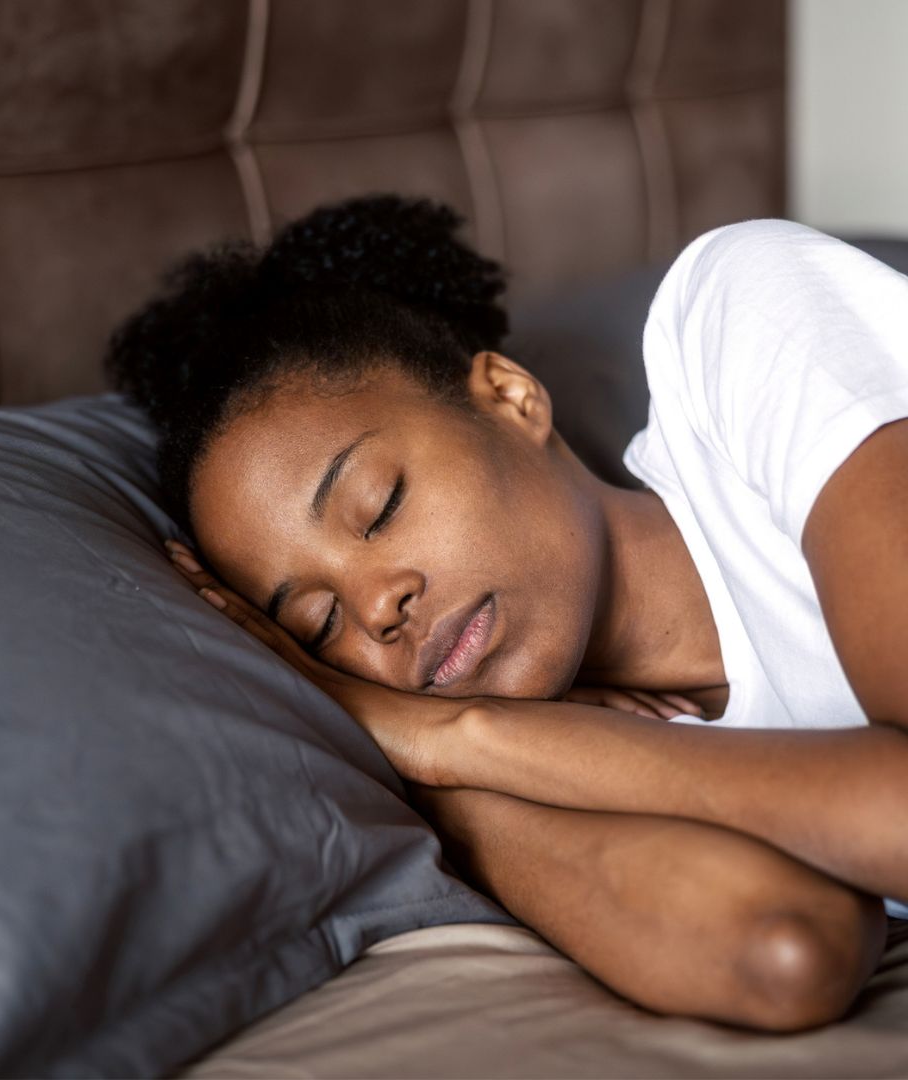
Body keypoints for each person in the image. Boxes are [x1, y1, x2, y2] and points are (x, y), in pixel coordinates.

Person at [107, 195, 908, 1033]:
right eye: (318, 625)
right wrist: (443, 773)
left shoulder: (740, 311)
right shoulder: (578, 759)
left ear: (511, 397)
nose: (378, 609)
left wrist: (461, 735)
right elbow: (781, 953)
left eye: (379, 506)